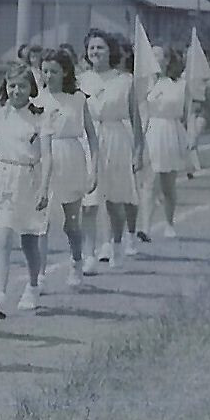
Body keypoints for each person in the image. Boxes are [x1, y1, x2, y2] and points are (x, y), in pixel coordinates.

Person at [0, 63, 53, 319]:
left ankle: (33, 285)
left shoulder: (40, 116)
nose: (16, 91)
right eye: (12, 86)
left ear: (31, 89)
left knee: (29, 241)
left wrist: (44, 188)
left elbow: (47, 155)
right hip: (4, 177)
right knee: (2, 235)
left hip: (29, 179)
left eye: (22, 86)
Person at [80, 30, 142, 265]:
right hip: (88, 139)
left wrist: (138, 151)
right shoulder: (81, 79)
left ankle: (116, 243)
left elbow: (135, 118)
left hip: (116, 139)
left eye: (100, 47)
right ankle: (89, 254)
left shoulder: (125, 80)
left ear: (111, 51)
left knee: (115, 200)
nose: (95, 52)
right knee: (89, 200)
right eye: (92, 48)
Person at [37, 47, 98, 286]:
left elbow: (92, 136)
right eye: (45, 71)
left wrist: (95, 170)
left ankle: (76, 262)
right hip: (44, 160)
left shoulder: (78, 98)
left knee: (71, 222)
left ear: (65, 72)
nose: (48, 76)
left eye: (54, 71)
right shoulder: (37, 100)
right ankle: (38, 276)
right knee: (41, 223)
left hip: (71, 159)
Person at [142, 48, 192, 238]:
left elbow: (188, 113)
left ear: (167, 60)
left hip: (171, 131)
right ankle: (145, 227)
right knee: (149, 182)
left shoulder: (180, 84)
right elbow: (144, 113)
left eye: (158, 55)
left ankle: (169, 223)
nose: (154, 59)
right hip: (153, 132)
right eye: (152, 54)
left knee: (168, 184)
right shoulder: (147, 83)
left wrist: (190, 137)